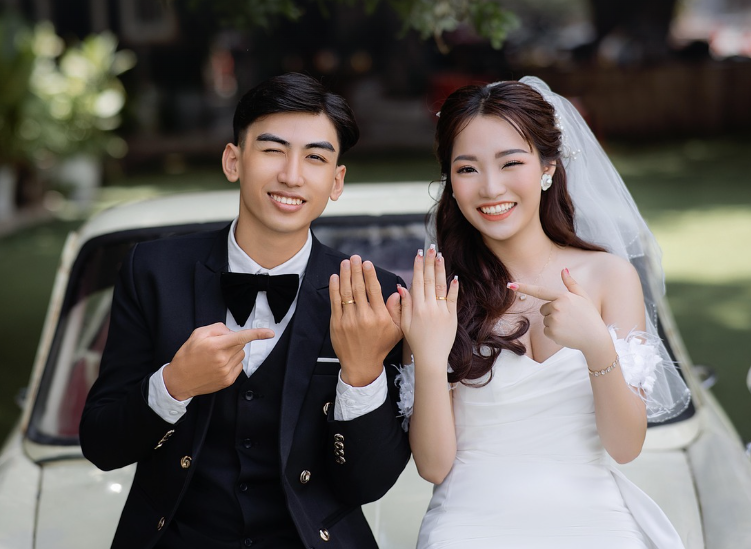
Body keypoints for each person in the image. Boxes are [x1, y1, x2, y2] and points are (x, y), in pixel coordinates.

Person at [79, 72, 410, 549]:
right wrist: (173, 385)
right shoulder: (152, 271)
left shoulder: (374, 294)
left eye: (315, 157)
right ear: (233, 161)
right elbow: (101, 445)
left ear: (336, 181)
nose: (292, 175)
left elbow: (369, 484)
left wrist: (361, 374)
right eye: (273, 150)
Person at [394, 77, 691, 548]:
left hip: (597, 525)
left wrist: (597, 347)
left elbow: (625, 447)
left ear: (548, 167)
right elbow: (433, 466)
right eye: (467, 168)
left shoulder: (609, 276)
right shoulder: (438, 290)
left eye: (511, 162)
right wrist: (429, 360)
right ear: (450, 179)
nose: (491, 188)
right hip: (468, 527)